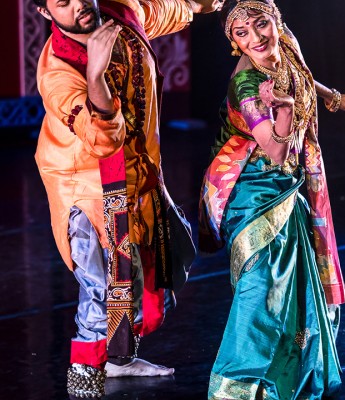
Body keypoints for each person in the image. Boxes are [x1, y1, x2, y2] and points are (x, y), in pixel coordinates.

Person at [33, 0, 224, 398]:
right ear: (46, 13)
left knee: (154, 269)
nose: (79, 4)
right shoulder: (58, 71)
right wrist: (97, 72)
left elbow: (167, 9)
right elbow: (103, 140)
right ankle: (83, 376)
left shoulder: (122, 12)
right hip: (83, 183)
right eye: (62, 2)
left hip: (136, 175)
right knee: (101, 285)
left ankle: (118, 360)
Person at [199, 0, 345, 398]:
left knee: (293, 282)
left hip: (290, 182)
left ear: (277, 22)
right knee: (261, 286)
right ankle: (233, 388)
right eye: (243, 34)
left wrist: (333, 97)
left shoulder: (286, 43)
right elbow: (276, 151)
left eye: (262, 25)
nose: (256, 38)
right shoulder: (246, 84)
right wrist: (286, 112)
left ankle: (287, 373)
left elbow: (302, 76)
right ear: (234, 43)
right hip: (254, 187)